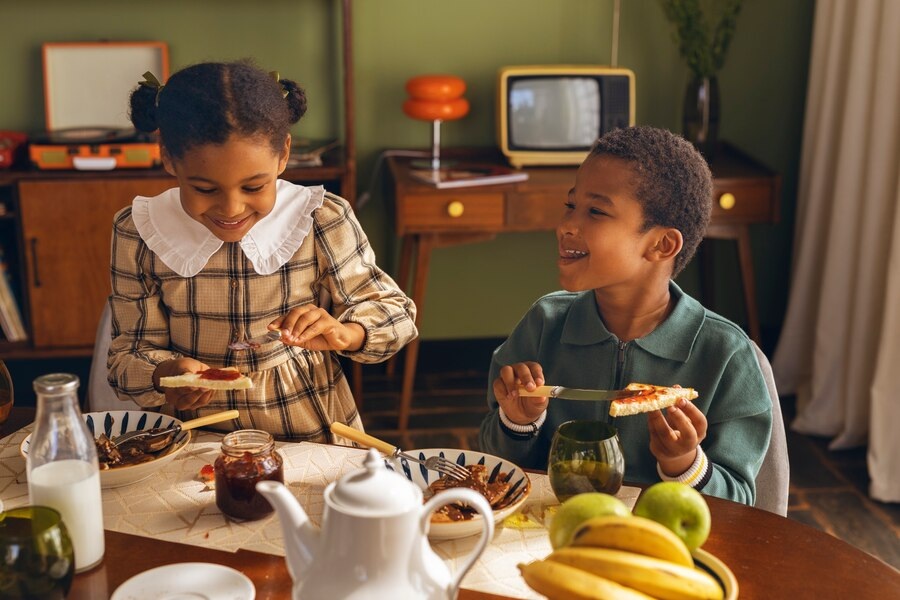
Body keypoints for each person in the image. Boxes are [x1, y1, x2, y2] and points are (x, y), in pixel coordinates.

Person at [107, 60, 417, 442]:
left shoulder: (320, 218)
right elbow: (125, 357)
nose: (231, 209)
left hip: (310, 429)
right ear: (169, 157)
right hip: (194, 436)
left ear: (283, 154)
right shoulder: (139, 231)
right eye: (205, 189)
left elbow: (396, 315)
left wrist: (344, 332)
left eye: (254, 187)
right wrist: (164, 373)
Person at [479, 126, 771, 505]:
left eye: (596, 211)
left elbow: (742, 505)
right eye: (571, 205)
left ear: (662, 245)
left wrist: (685, 464)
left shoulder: (725, 355)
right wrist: (517, 423)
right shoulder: (544, 324)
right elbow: (494, 467)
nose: (567, 225)